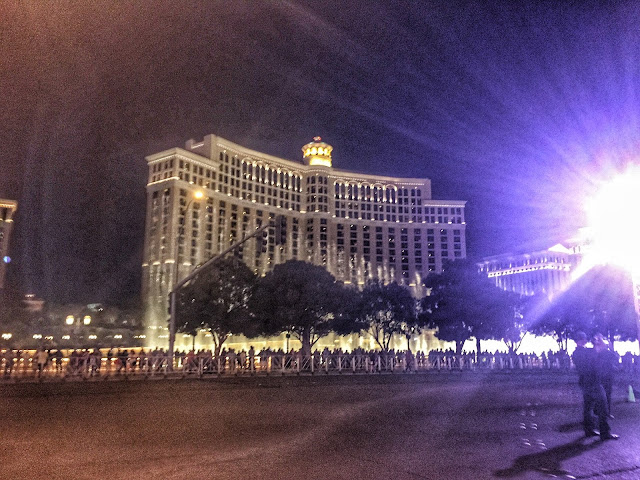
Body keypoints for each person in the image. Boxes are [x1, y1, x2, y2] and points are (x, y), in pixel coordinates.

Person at [572, 331, 618, 440]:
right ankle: (605, 433)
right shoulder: (588, 352)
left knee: (588, 408)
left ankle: (589, 430)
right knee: (603, 408)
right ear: (583, 340)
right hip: (594, 383)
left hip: (584, 383)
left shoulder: (576, 353)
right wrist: (600, 342)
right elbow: (607, 355)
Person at [593, 333, 619, 416]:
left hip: (608, 376)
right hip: (600, 376)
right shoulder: (597, 352)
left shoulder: (607, 352)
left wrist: (610, 349)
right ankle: (597, 412)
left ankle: (607, 412)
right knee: (599, 395)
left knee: (607, 394)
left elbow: (615, 358)